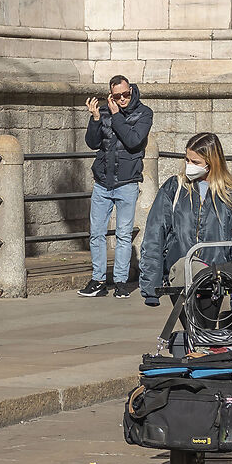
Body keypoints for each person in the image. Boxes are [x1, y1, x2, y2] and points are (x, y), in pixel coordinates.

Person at [139, 133, 232, 308]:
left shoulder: (231, 195)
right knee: (192, 328)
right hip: (180, 273)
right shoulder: (174, 187)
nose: (189, 166)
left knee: (206, 331)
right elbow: (155, 233)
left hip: (216, 277)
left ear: (211, 163)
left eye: (196, 162)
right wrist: (151, 286)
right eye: (187, 160)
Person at [82, 75, 152, 298]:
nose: (122, 99)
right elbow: (93, 143)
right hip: (103, 182)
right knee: (96, 234)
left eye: (125, 94)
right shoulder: (103, 112)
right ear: (111, 94)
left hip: (127, 182)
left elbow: (133, 141)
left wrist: (115, 116)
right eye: (116, 96)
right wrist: (95, 119)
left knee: (123, 234)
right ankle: (98, 280)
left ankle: (121, 282)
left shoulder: (144, 113)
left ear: (131, 90)